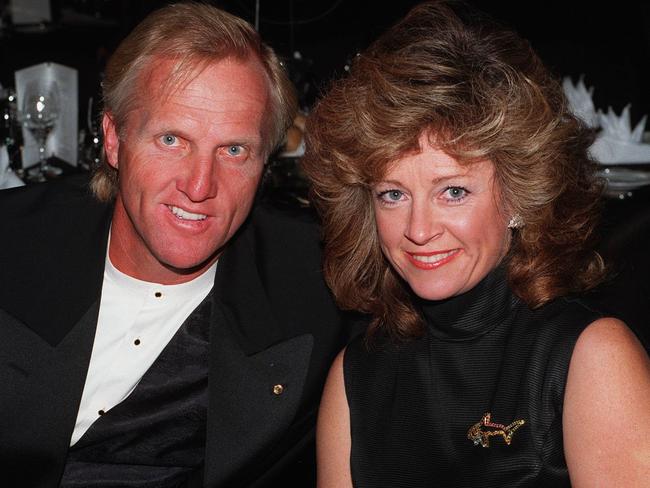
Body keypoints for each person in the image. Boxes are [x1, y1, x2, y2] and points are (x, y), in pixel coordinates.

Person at [0, 3, 353, 487]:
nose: (200, 185)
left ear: (266, 161)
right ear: (114, 138)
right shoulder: (14, 244)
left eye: (234, 150)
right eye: (172, 139)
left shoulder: (317, 282)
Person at [300, 1, 650, 486]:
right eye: (393, 194)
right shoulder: (356, 375)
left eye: (454, 191)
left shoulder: (589, 357)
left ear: (519, 198)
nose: (419, 230)